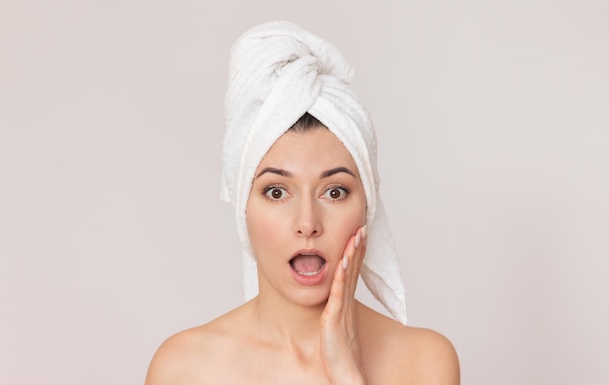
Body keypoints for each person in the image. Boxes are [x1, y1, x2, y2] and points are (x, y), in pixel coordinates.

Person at [145, 21, 460, 385]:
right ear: (243, 208)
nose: (308, 222)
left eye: (334, 191)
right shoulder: (184, 369)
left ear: (368, 207)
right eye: (276, 192)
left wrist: (347, 373)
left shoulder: (423, 362)